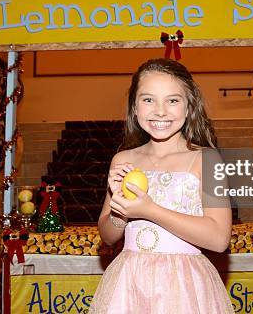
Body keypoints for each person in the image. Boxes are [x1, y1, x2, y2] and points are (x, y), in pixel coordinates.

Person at [90, 58, 233, 313]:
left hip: (185, 287)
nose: (160, 111)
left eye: (173, 100)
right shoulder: (123, 160)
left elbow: (219, 238)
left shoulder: (208, 160)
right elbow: (108, 235)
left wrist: (149, 210)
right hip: (129, 285)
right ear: (134, 107)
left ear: (190, 107)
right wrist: (120, 212)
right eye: (148, 100)